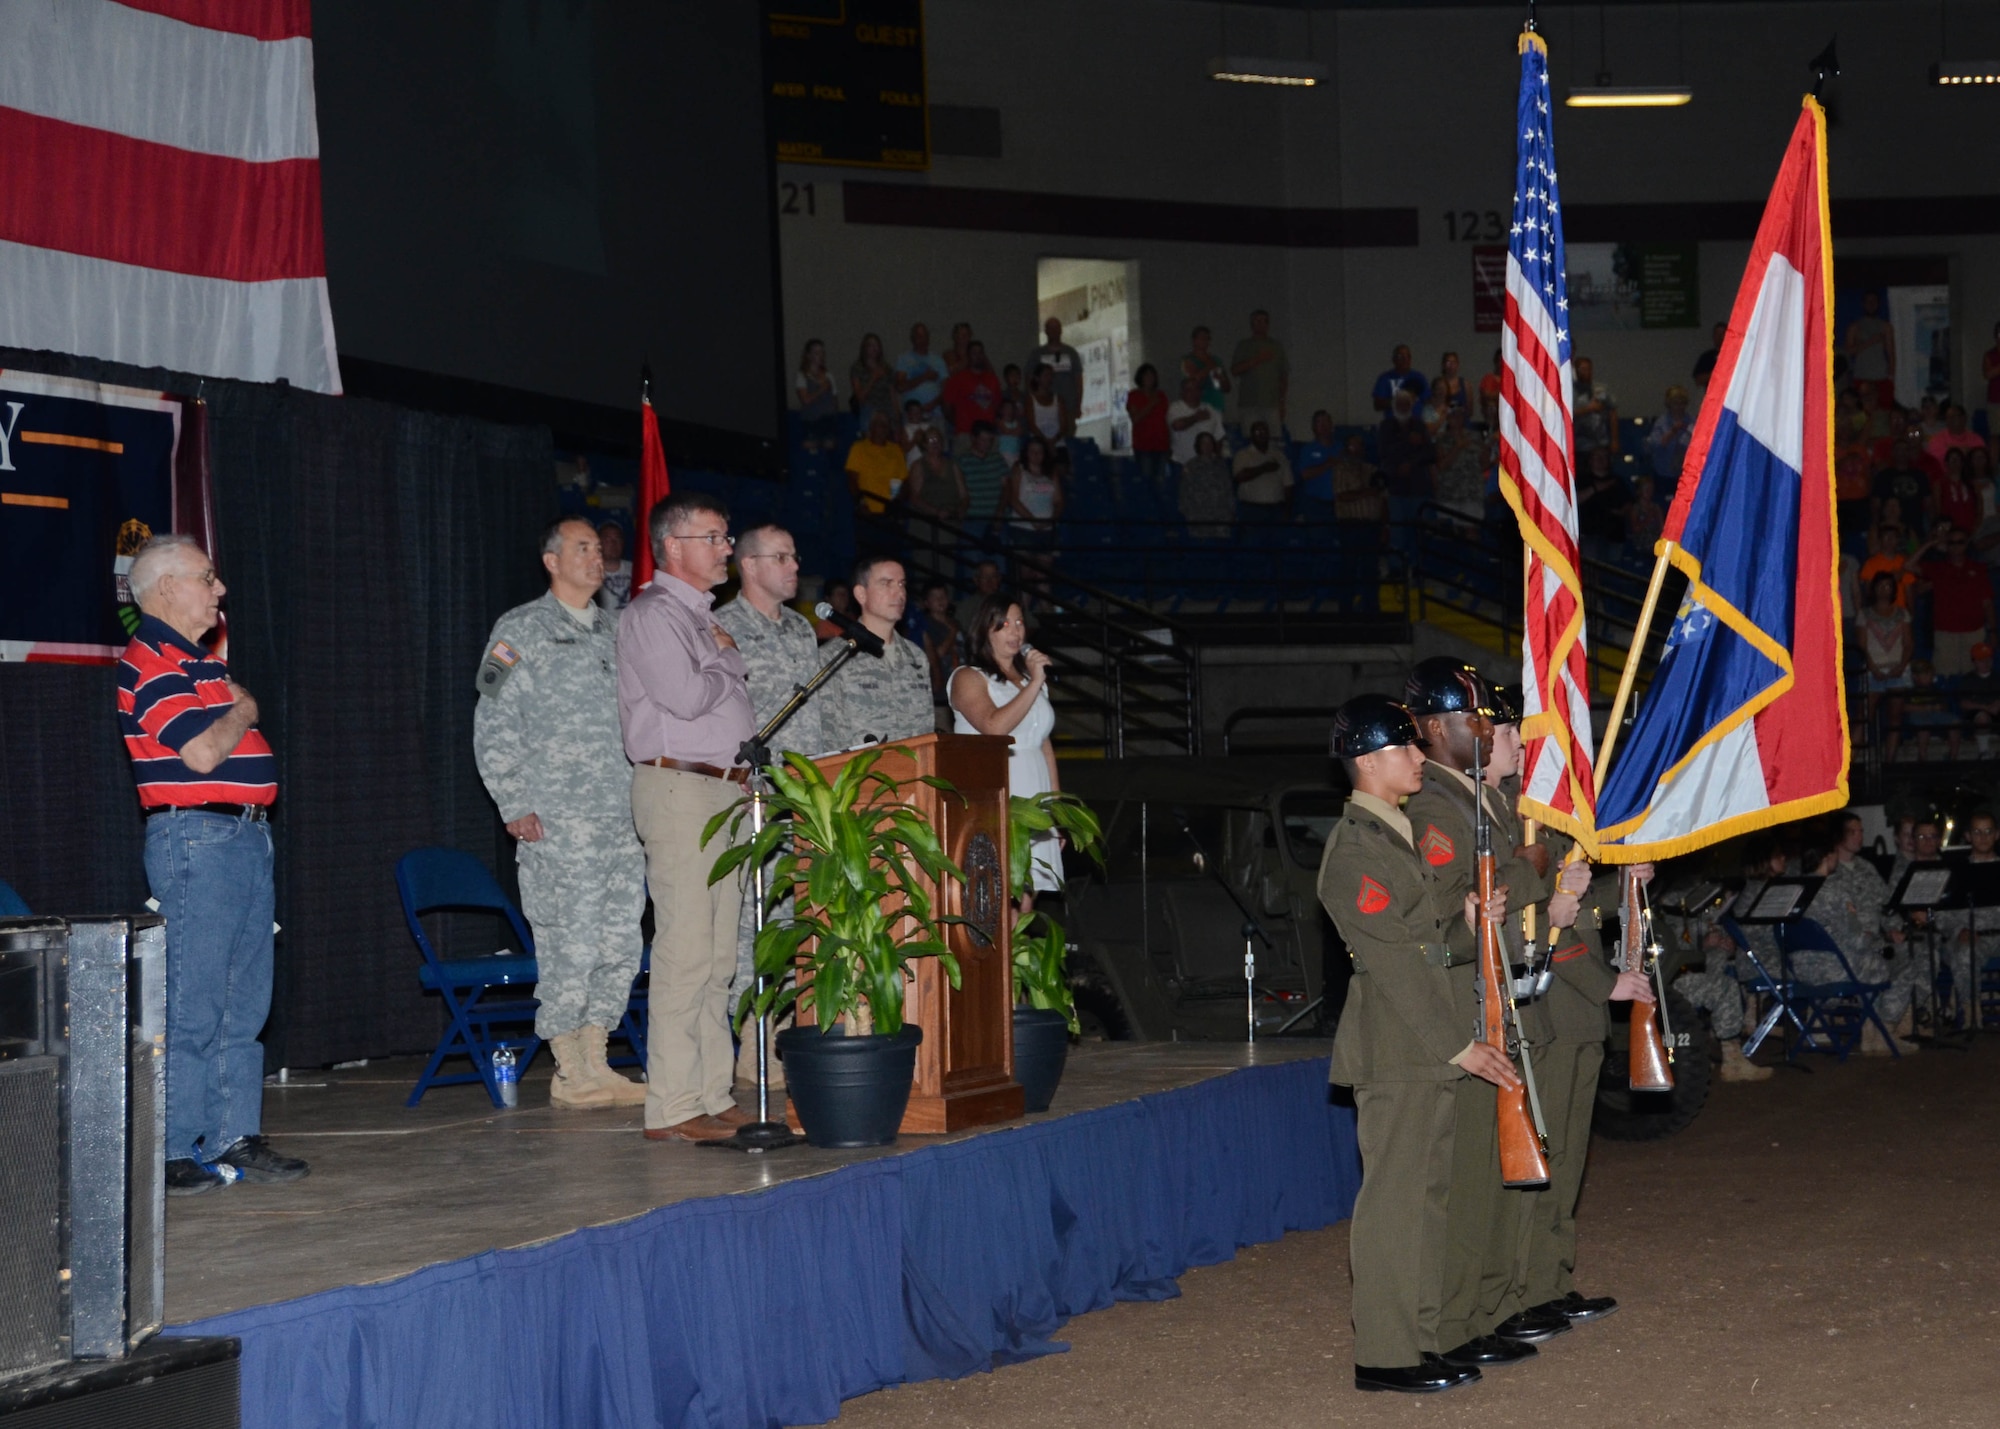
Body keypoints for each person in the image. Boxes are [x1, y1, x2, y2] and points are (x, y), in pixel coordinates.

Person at [1317, 693, 1509, 1395]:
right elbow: (1394, 962)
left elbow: (1431, 946)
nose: (1421, 756)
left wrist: (1467, 921)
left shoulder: (1394, 832)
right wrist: (1459, 1044)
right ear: (1369, 760)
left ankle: (1422, 1339)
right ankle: (1386, 1352)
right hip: (1399, 1043)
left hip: (1422, 1039)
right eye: (1407, 747)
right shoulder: (1356, 849)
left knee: (1428, 1197)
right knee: (1396, 1201)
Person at [119, 536, 307, 1196]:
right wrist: (245, 709)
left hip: (245, 838)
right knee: (195, 1003)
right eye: (207, 577)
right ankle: (172, 1146)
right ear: (166, 587)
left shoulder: (196, 664)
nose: (219, 588)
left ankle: (233, 1134)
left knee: (244, 1004)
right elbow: (201, 754)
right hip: (198, 840)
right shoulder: (149, 661)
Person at [1484, 684, 1665, 1335]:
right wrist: (1604, 984)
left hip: (1575, 1012)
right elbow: (1542, 924)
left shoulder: (1554, 817)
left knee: (1568, 1161)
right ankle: (1523, 1287)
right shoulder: (1528, 817)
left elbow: (1581, 909)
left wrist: (1627, 882)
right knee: (1545, 1153)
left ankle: (1549, 1280)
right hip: (1555, 1009)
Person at [1399, 659, 1560, 1364]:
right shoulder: (1435, 806)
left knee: (1492, 1172)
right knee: (1465, 1181)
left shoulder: (1473, 800)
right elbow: (1457, 899)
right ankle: (1458, 1320)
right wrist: (1534, 866)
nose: (1490, 730)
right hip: (1466, 999)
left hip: (1497, 993)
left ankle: (1486, 1308)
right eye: (1476, 719)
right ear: (1435, 728)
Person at [474, 518, 647, 1110]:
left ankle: (598, 1058)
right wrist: (512, 801)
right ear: (551, 560)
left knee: (619, 939)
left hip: (623, 816)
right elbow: (492, 719)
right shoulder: (520, 629)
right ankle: (569, 1069)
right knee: (569, 940)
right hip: (558, 818)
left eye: (599, 549)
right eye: (582, 548)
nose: (596, 557)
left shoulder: (619, 632)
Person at [617, 493, 756, 1144]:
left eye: (727, 537)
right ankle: (671, 1106)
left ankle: (711, 1090)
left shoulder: (701, 619)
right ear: (674, 545)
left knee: (720, 952)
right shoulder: (653, 614)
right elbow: (687, 694)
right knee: (685, 948)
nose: (727, 547)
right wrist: (728, 660)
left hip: (723, 790)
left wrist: (717, 655)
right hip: (680, 787)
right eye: (715, 536)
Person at [713, 523, 822, 1088]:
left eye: (795, 554)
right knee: (750, 923)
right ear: (748, 566)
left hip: (802, 799)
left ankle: (784, 1029)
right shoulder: (720, 627)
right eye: (780, 556)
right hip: (751, 796)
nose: (793, 565)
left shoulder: (804, 631)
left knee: (793, 918)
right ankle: (752, 1040)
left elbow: (817, 718)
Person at [950, 593, 1062, 902]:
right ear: (985, 630)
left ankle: (1020, 953)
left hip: (1034, 795)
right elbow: (995, 727)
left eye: (1019, 623)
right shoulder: (968, 677)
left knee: (1027, 901)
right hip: (998, 794)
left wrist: (1054, 809)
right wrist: (1036, 682)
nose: (1015, 631)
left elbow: (1044, 743)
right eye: (1004, 624)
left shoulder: (1029, 680)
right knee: (1000, 901)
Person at [819, 556, 934, 749]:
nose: (899, 592)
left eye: (901, 584)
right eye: (886, 583)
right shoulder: (835, 657)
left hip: (914, 773)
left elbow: (927, 730)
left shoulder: (916, 657)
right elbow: (828, 735)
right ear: (861, 594)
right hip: (860, 775)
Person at [1918, 523, 1994, 677]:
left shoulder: (1978, 568)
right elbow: (1908, 565)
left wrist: (1993, 631)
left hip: (1974, 632)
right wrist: (1931, 543)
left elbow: (1987, 603)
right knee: (1944, 676)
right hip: (1946, 633)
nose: (1956, 546)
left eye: (1960, 542)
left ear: (1966, 544)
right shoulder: (1938, 568)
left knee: (1973, 676)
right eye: (1951, 542)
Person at [902, 428, 969, 577]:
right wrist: (935, 512)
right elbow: (914, 497)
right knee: (924, 564)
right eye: (931, 440)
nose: (935, 443)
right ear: (924, 444)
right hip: (925, 524)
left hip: (948, 522)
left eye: (938, 440)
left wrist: (960, 509)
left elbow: (964, 494)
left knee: (947, 563)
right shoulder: (918, 466)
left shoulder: (953, 466)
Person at [1230, 308, 1289, 437]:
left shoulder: (1276, 346)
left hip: (1271, 403)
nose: (1260, 324)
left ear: (1268, 324)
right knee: (1251, 438)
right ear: (1251, 324)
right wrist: (1257, 360)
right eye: (1257, 321)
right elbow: (1234, 370)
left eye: (1263, 321)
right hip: (1249, 403)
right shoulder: (1244, 345)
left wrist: (1282, 403)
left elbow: (1283, 376)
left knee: (1274, 439)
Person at [1231, 419, 1293, 523]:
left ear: (1269, 434)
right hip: (1252, 510)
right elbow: (1239, 477)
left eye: (1264, 431)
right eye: (1257, 432)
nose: (1261, 434)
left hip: (1276, 509)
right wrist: (1264, 468)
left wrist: (1288, 510)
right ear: (1251, 435)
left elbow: (1288, 485)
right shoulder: (1243, 455)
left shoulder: (1279, 456)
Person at [844, 410, 906, 513]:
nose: (883, 427)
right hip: (868, 509)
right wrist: (860, 501)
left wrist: (899, 500)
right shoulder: (859, 448)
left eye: (886, 424)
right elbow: (852, 479)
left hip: (891, 509)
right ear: (871, 427)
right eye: (880, 424)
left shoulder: (896, 450)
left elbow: (904, 480)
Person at [940, 339, 1002, 441]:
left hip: (988, 434)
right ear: (968, 356)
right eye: (974, 353)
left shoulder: (992, 379)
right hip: (965, 434)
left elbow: (997, 404)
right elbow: (947, 407)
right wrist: (958, 422)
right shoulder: (957, 379)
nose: (977, 356)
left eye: (980, 353)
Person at [1177, 430, 1234, 540]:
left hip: (1220, 517)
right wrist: (1189, 515)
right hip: (1199, 518)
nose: (1207, 446)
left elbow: (1229, 490)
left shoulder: (1221, 465)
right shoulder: (1191, 466)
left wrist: (1231, 511)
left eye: (1210, 443)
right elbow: (1184, 493)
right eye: (1203, 443)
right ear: (1198, 446)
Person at [917, 579, 962, 717]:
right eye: (935, 597)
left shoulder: (955, 622)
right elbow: (936, 654)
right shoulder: (926, 626)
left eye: (943, 596)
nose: (940, 600)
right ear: (926, 603)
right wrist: (952, 633)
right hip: (939, 692)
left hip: (959, 687)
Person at [894, 322, 948, 434]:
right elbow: (900, 387)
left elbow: (946, 389)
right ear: (912, 339)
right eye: (918, 336)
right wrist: (924, 377)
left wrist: (933, 404)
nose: (922, 339)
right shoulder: (904, 360)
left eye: (924, 336)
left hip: (935, 414)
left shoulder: (938, 361)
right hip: (912, 416)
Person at [958, 421, 1010, 535]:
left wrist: (1000, 512)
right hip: (973, 519)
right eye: (983, 440)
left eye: (990, 441)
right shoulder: (962, 461)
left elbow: (1006, 487)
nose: (987, 444)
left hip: (996, 519)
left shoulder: (997, 459)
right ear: (973, 438)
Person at [1125, 363, 1171, 490]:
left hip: (1162, 445)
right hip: (1144, 446)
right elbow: (1135, 418)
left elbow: (1165, 419)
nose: (1150, 378)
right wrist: (1151, 404)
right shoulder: (1134, 396)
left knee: (1161, 482)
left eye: (1152, 375)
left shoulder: (1162, 395)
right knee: (1146, 482)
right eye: (1147, 375)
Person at [1844, 290, 1894, 404]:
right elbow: (1849, 351)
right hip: (1861, 375)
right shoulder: (1855, 327)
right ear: (1863, 304)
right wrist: (1870, 342)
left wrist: (1891, 376)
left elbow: (1891, 353)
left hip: (1881, 375)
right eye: (1868, 301)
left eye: (1874, 302)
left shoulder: (1886, 327)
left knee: (1883, 408)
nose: (1871, 304)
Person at [1029, 317, 1083, 420]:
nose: (1054, 331)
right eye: (1051, 328)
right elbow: (1029, 378)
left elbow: (1078, 380)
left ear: (1061, 330)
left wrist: (1078, 405)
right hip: (1043, 407)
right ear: (1046, 331)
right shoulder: (1037, 354)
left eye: (1056, 328)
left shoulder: (1071, 353)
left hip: (1068, 406)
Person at [1166, 375, 1225, 466]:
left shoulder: (1211, 410)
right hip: (1181, 463)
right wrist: (1196, 418)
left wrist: (1217, 460)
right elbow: (1177, 425)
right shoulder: (1175, 408)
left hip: (1205, 465)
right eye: (1189, 389)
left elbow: (1218, 437)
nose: (1194, 392)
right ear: (1182, 392)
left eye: (1197, 389)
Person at [795, 338, 841, 453]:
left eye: (822, 353)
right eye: (816, 353)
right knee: (810, 446)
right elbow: (805, 399)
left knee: (829, 445)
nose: (820, 356)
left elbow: (835, 400)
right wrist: (822, 389)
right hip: (811, 421)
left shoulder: (829, 376)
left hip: (828, 420)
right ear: (809, 356)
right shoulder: (802, 376)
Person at [1646, 385, 1695, 487]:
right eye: (1676, 403)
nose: (1679, 407)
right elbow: (1657, 445)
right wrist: (1673, 431)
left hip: (1685, 474)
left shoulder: (1692, 421)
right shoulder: (1661, 423)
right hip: (1664, 474)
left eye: (1682, 403)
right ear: (1669, 404)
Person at [1570, 356, 1617, 460]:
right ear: (1576, 371)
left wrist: (1614, 440)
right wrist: (1589, 409)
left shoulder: (1601, 389)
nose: (1587, 372)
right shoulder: (1569, 391)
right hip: (1579, 444)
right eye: (1583, 369)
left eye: (1589, 369)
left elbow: (1612, 413)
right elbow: (1567, 414)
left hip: (1601, 442)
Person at [1180, 325, 1230, 417]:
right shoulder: (1188, 360)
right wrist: (1209, 367)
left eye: (1207, 338)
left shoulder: (1216, 360)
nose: (1204, 341)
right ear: (1194, 340)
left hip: (1216, 404)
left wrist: (1221, 379)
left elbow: (1226, 388)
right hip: (1198, 406)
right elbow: (1193, 382)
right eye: (1201, 338)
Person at [849, 332, 896, 428]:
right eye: (870, 345)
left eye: (876, 345)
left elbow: (893, 395)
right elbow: (860, 397)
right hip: (869, 409)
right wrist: (873, 378)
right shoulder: (857, 368)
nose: (874, 348)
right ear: (864, 348)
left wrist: (897, 415)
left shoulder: (887, 368)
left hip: (887, 408)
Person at [1025, 361, 1074, 446]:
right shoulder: (1030, 400)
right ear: (1037, 378)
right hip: (1039, 444)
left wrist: (1054, 440)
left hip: (1058, 443)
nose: (1049, 378)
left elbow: (1064, 425)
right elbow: (1032, 425)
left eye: (1051, 375)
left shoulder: (1058, 399)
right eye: (1046, 375)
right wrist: (1045, 441)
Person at [1372, 344, 1428, 415]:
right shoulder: (1385, 378)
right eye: (1400, 356)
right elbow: (1377, 405)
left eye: (1406, 356)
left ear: (1410, 359)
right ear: (1394, 359)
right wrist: (1398, 401)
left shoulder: (1419, 377)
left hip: (1415, 421)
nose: (1404, 359)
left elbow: (1427, 400)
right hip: (1393, 422)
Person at [957, 559, 1003, 636]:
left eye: (993, 576)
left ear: (999, 579)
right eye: (985, 577)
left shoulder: (1010, 602)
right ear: (976, 580)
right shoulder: (965, 607)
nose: (989, 581)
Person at [596, 521, 634, 611]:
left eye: (617, 539)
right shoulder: (590, 571)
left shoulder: (636, 570)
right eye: (608, 540)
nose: (613, 544)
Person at [1691, 321, 1727, 388]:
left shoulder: (1737, 356)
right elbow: (1698, 380)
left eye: (1722, 334)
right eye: (1717, 334)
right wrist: (1716, 374)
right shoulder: (1707, 357)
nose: (1720, 337)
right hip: (1713, 395)